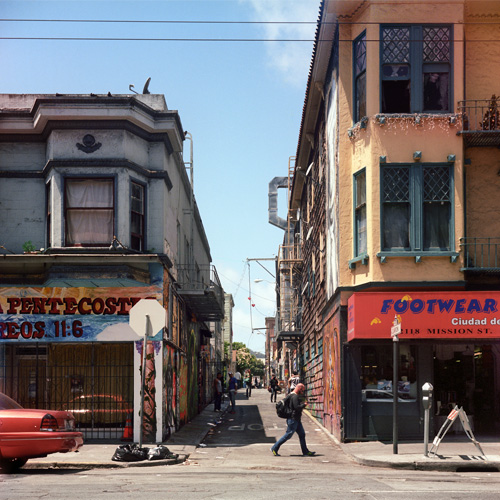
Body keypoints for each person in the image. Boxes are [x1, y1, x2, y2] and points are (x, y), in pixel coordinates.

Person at [271, 383, 315, 457]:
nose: (302, 392)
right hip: (293, 419)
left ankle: (305, 451)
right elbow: (296, 407)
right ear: (299, 388)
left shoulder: (291, 395)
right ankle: (274, 448)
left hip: (296, 420)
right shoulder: (294, 396)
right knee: (288, 435)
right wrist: (304, 405)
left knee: (302, 434)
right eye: (302, 390)